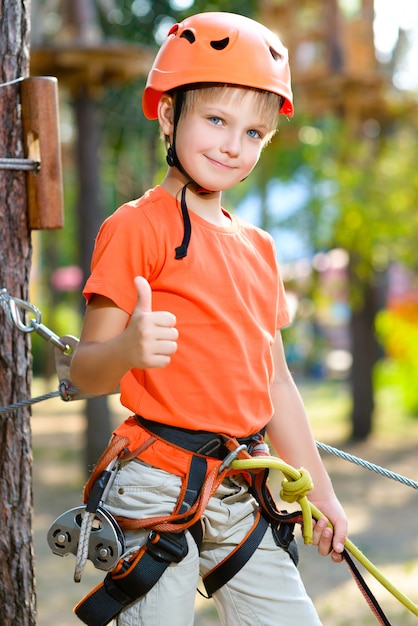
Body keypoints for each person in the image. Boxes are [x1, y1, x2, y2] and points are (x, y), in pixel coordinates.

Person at [70, 11, 347, 626]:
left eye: (253, 132)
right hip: (153, 483)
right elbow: (85, 372)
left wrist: (321, 495)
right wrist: (126, 352)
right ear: (169, 116)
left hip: (239, 486)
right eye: (216, 120)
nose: (231, 144)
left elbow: (275, 383)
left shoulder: (260, 248)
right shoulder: (137, 227)